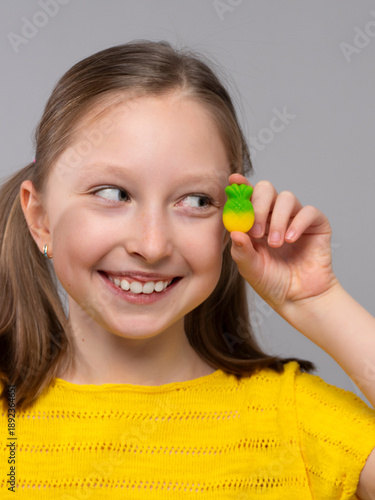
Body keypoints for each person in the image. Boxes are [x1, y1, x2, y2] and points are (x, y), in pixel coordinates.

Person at [0, 40, 374, 499]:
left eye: (196, 201)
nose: (152, 245)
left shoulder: (297, 418)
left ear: (228, 225)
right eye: (113, 193)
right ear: (39, 219)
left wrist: (318, 302)